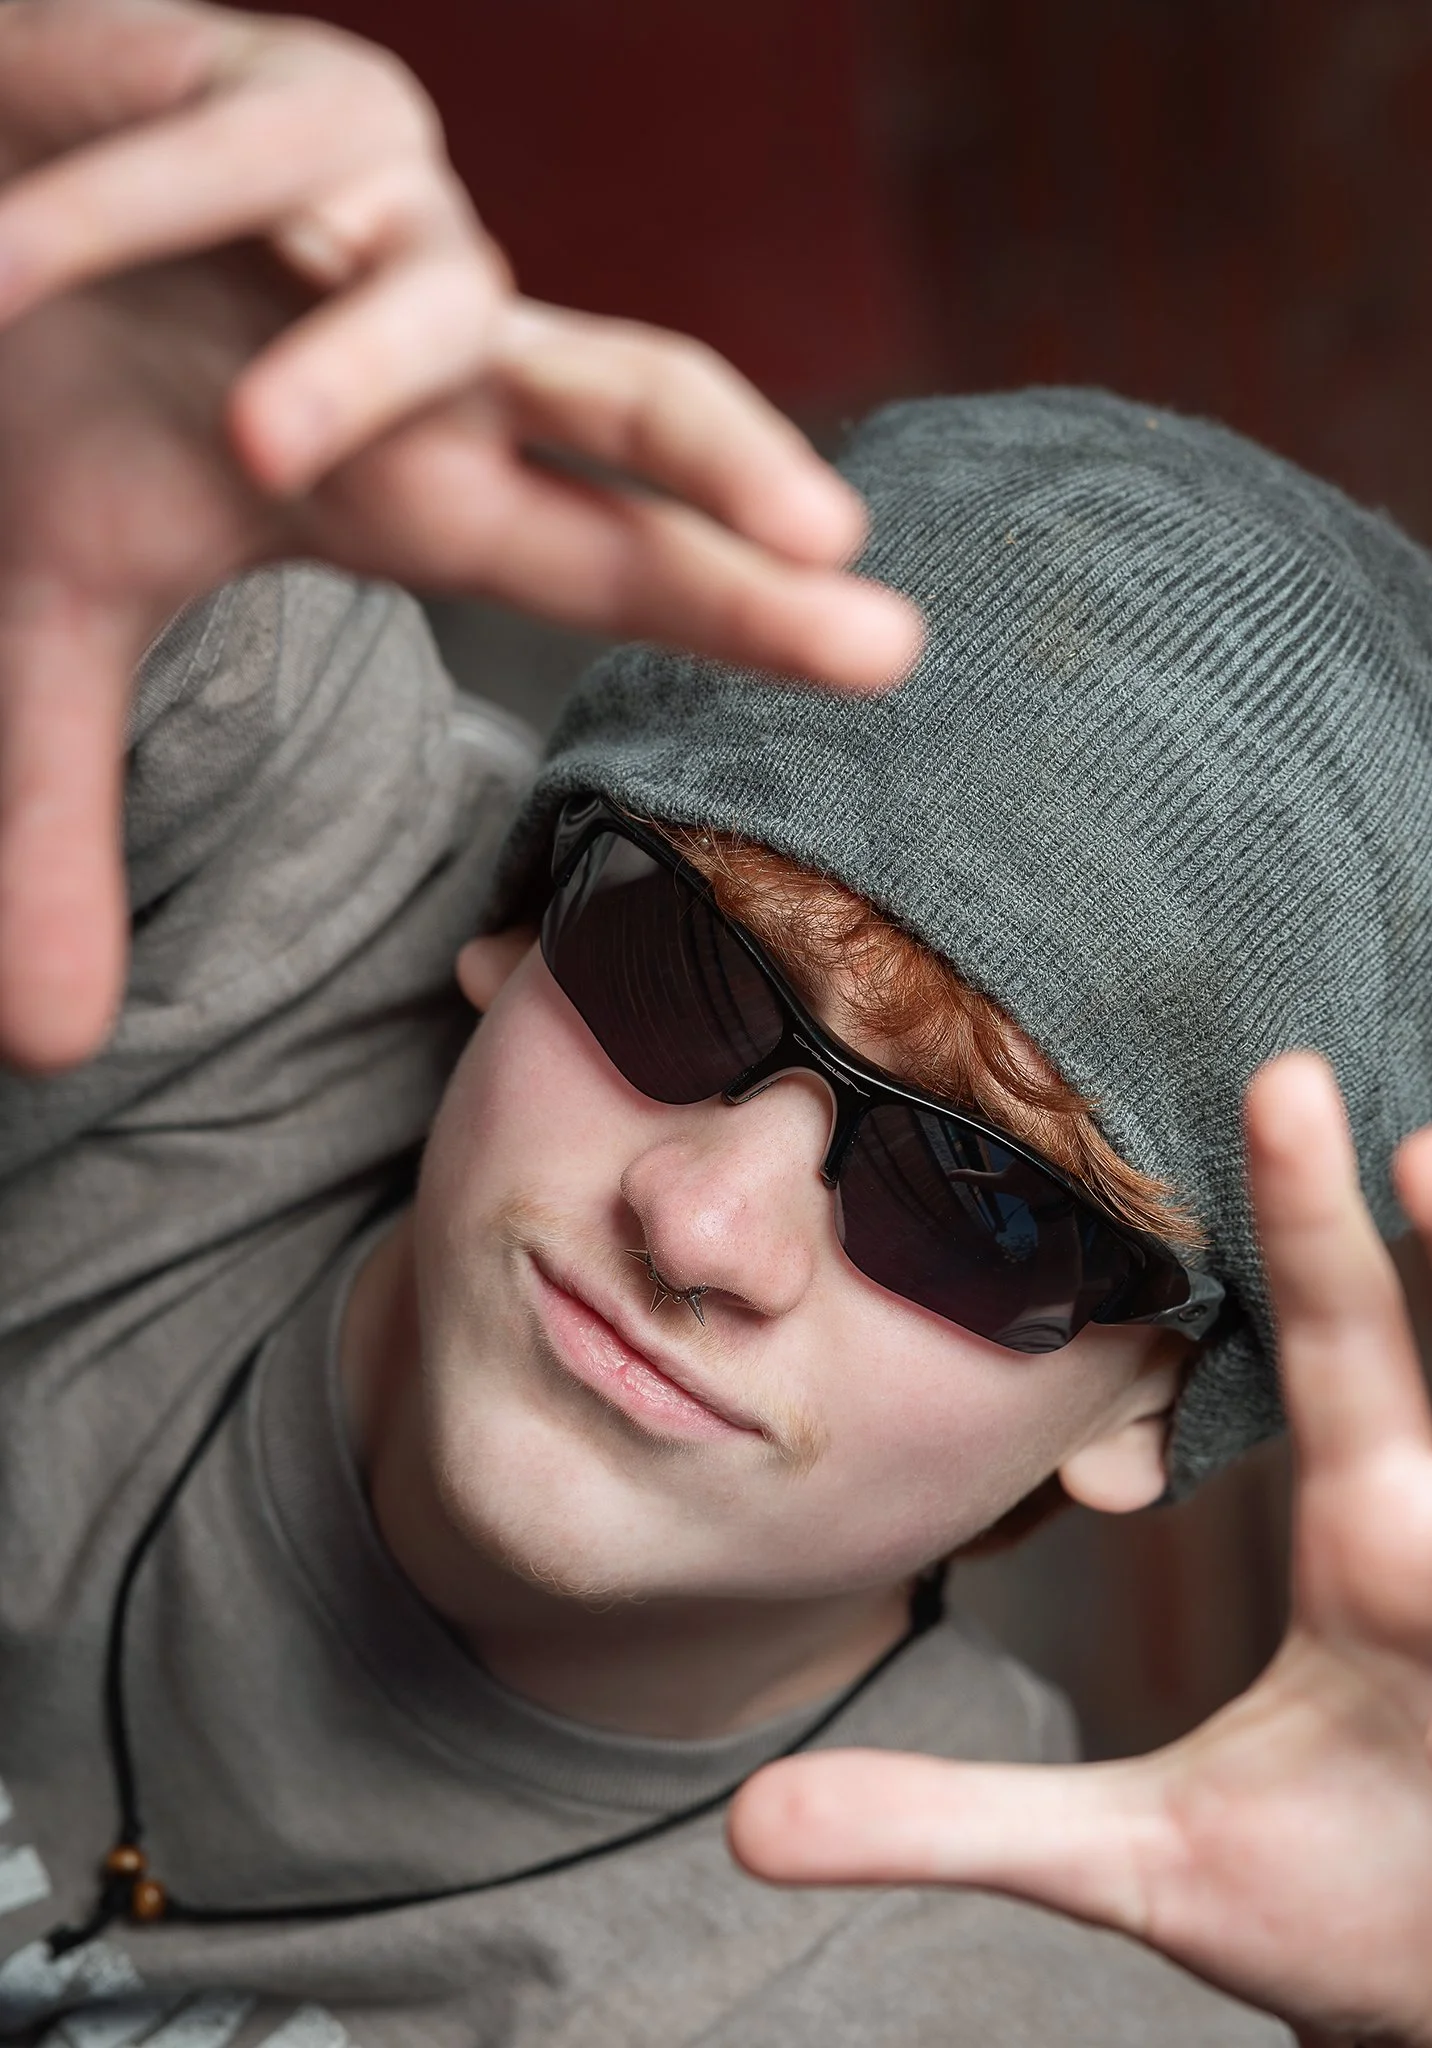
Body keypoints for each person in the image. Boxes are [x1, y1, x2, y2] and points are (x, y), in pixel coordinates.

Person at [0, 7, 1430, 2048]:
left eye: (984, 1205)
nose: (702, 1226)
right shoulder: (230, 806)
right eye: (681, 970)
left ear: (1145, 1412)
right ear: (522, 908)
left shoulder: (1002, 2013)